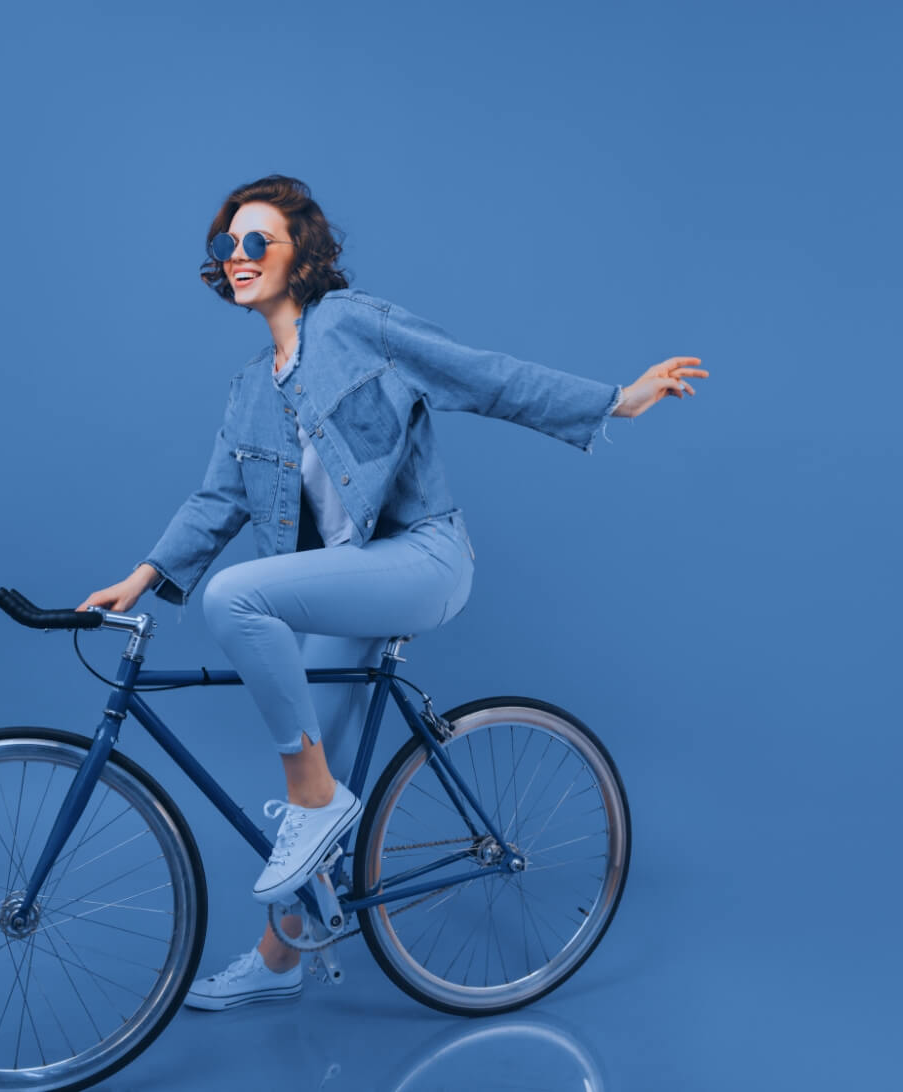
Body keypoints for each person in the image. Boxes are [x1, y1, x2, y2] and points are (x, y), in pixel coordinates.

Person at [78, 174, 707, 1011]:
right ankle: (281, 959)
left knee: (238, 607)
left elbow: (481, 375)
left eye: (257, 241)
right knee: (316, 796)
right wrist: (142, 577)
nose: (237, 257)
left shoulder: (354, 324)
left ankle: (316, 799)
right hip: (349, 583)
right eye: (226, 245)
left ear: (301, 254)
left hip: (421, 558)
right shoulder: (247, 392)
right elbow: (217, 501)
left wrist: (615, 403)